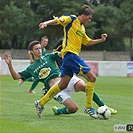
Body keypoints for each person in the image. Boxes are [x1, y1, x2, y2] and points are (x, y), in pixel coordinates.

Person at [37, 5, 108, 118]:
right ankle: (89, 107)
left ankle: (40, 103)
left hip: (69, 58)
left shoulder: (82, 28)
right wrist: (47, 22)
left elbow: (87, 42)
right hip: (71, 55)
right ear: (83, 15)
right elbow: (59, 20)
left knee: (61, 85)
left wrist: (101, 40)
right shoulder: (72, 19)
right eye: (89, 18)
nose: (89, 21)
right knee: (92, 78)